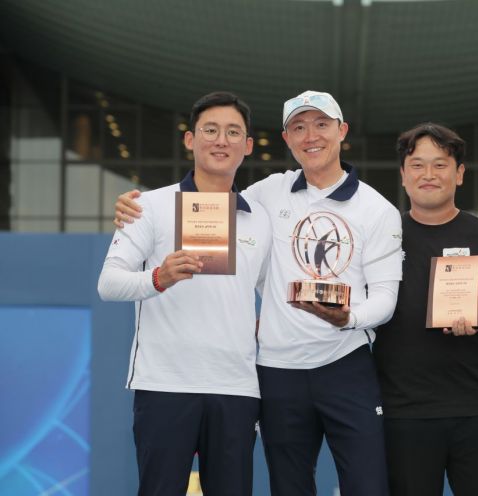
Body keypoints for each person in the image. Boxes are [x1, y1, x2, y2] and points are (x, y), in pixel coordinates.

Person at [114, 90, 403, 496]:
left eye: (321, 124)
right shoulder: (266, 195)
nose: (311, 135)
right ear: (285, 138)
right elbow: (211, 201)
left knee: (368, 486)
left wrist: (349, 318)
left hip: (345, 363)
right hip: (276, 371)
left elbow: (386, 299)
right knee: (289, 488)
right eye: (299, 127)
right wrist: (136, 207)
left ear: (342, 131)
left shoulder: (378, 209)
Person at [98, 92, 271, 495]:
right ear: (191, 140)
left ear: (247, 146)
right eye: (210, 130)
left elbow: (270, 291)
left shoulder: (259, 217)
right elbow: (108, 283)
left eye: (233, 132)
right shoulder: (149, 206)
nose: (221, 140)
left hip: (237, 388)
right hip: (165, 384)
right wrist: (159, 278)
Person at [374, 123, 478, 496]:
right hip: (403, 412)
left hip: (477, 409)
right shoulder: (381, 237)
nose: (428, 175)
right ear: (404, 175)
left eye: (440, 165)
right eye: (417, 165)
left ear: (459, 174)